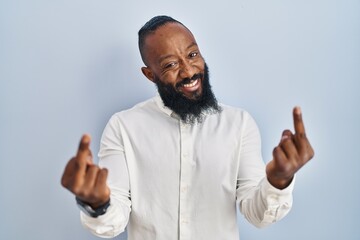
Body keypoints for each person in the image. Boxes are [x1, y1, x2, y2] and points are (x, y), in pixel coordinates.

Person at [61, 15, 314, 239]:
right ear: (150, 74)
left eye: (192, 55)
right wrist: (98, 203)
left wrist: (279, 180)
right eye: (170, 64)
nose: (189, 71)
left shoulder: (239, 124)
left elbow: (258, 215)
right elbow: (113, 222)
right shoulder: (123, 127)